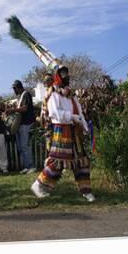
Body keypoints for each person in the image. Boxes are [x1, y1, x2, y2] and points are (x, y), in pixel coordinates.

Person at [30, 66, 96, 202]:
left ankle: (86, 190)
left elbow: (80, 112)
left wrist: (84, 126)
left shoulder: (71, 94)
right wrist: (71, 117)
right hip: (62, 129)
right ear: (57, 76)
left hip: (75, 130)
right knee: (57, 161)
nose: (66, 76)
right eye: (63, 73)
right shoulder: (53, 93)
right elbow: (55, 114)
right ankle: (38, 185)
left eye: (67, 73)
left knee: (81, 161)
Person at [7, 80, 36, 174]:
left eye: (14, 88)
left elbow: (25, 108)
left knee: (24, 146)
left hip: (26, 123)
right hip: (21, 123)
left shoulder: (26, 94)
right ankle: (26, 166)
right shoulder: (20, 96)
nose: (13, 91)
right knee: (20, 146)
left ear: (18, 87)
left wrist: (12, 110)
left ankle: (31, 166)